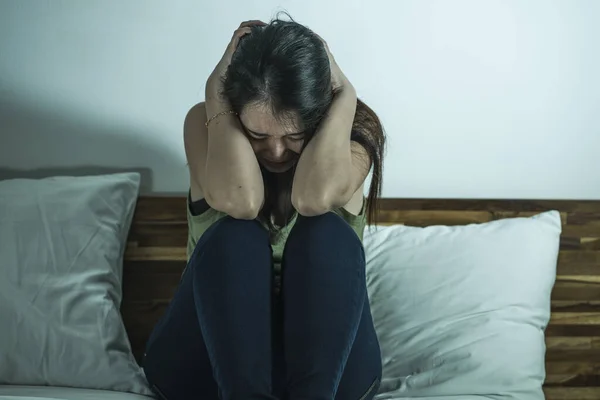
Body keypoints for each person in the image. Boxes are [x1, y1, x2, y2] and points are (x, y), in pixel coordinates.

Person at [142, 15, 386, 400]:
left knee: (325, 232)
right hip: (209, 359)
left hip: (327, 373)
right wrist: (215, 91)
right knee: (234, 236)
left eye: (294, 136)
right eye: (257, 135)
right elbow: (242, 202)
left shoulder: (355, 136)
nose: (275, 151)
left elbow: (313, 198)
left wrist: (346, 95)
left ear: (320, 116)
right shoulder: (204, 126)